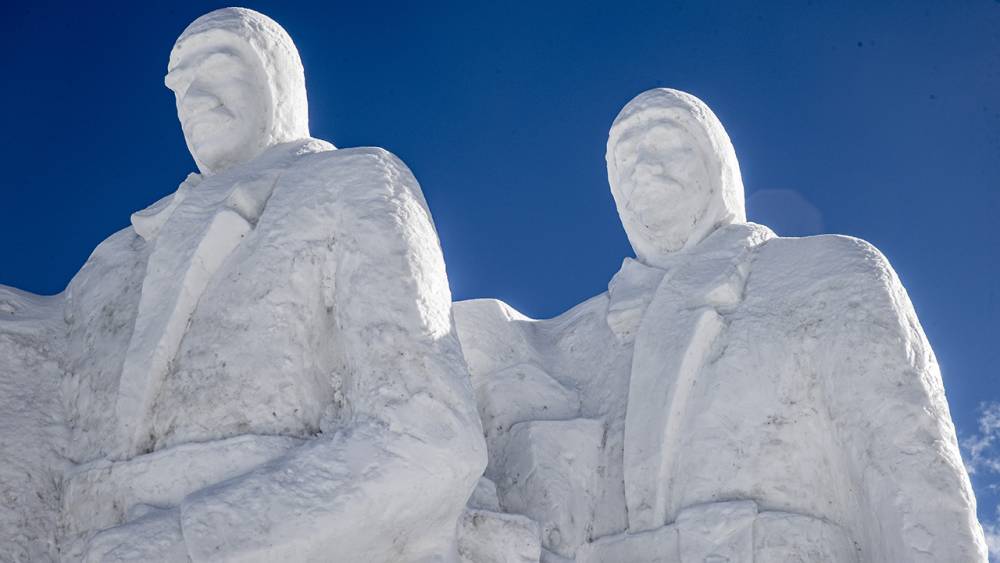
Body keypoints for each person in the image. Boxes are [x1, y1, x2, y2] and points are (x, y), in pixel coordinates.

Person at [454, 88, 987, 561]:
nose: (645, 168)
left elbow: (909, 473)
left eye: (667, 144)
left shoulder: (825, 270)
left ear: (717, 165)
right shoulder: (571, 339)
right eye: (626, 159)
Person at [53, 8, 485, 561]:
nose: (194, 99)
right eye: (180, 86)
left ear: (276, 81)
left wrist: (189, 540)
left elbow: (430, 436)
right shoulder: (113, 259)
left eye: (218, 68)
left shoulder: (352, 180)